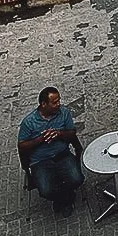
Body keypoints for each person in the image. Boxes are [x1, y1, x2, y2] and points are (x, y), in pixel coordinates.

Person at [17, 86, 84, 217]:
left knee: (77, 179)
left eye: (59, 100)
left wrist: (59, 134)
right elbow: (22, 146)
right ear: (43, 104)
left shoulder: (63, 112)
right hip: (41, 161)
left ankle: (67, 195)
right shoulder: (29, 122)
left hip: (62, 155)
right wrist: (41, 139)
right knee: (46, 190)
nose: (58, 104)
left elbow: (72, 133)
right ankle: (61, 199)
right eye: (54, 102)